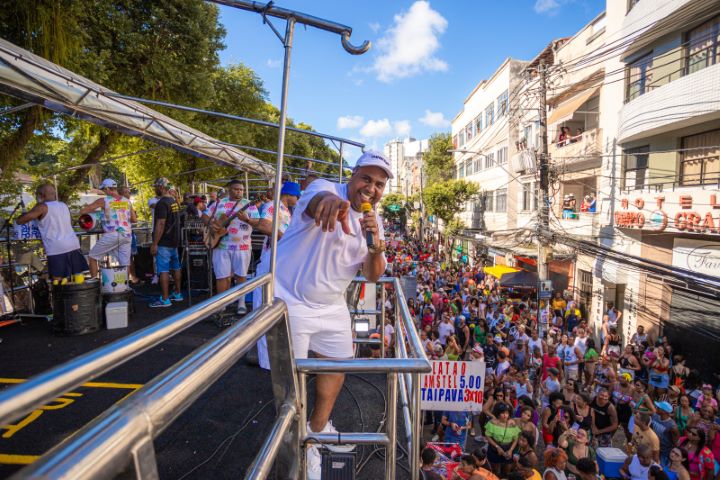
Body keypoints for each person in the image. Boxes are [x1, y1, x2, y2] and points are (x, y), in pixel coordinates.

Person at [258, 150, 391, 480]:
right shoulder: (326, 189)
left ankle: (315, 432)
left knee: (338, 365)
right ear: (352, 175)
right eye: (366, 179)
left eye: (379, 184)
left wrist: (376, 247)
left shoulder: (375, 221)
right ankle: (295, 446)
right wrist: (331, 206)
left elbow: (373, 275)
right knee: (292, 383)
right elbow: (319, 202)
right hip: (289, 298)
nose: (371, 188)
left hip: (331, 304)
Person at [253, 181, 301, 369]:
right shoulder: (274, 206)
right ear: (289, 194)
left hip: (280, 261)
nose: (297, 199)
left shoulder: (286, 210)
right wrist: (285, 239)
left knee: (277, 307)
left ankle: (274, 357)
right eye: (295, 195)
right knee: (264, 306)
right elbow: (264, 225)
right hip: (269, 261)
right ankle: (266, 361)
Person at [203, 179, 260, 315]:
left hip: (243, 246)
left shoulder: (249, 205)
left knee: (241, 275)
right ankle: (222, 304)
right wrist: (211, 225)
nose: (239, 192)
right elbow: (205, 215)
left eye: (241, 190)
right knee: (222, 276)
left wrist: (247, 219)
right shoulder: (219, 203)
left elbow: (258, 222)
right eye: (236, 189)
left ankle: (241, 303)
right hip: (220, 245)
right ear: (229, 190)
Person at [16, 184, 88, 283]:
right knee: (78, 274)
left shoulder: (42, 207)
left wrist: (25, 213)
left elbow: (21, 221)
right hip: (73, 244)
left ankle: (60, 297)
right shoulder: (63, 205)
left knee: (57, 278)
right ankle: (81, 296)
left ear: (41, 195)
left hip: (56, 247)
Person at [80, 178, 136, 278]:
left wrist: (98, 213)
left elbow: (83, 211)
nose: (104, 193)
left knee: (92, 256)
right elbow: (134, 219)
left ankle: (94, 284)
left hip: (112, 234)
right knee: (125, 263)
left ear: (107, 189)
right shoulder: (127, 201)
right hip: (127, 234)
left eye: (104, 190)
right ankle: (125, 287)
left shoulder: (104, 200)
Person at [149, 178, 183, 307]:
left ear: (162, 188)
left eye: (156, 186)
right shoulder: (173, 201)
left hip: (164, 241)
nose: (154, 189)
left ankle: (164, 299)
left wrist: (155, 243)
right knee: (176, 267)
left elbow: (161, 223)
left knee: (163, 270)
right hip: (174, 240)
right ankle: (178, 293)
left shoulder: (162, 203)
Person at [485, 403, 520, 477]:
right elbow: (488, 436)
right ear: (498, 413)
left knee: (506, 471)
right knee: (495, 471)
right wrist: (497, 447)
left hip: (508, 449)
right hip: (494, 448)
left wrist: (511, 450)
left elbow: (516, 439)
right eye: (502, 413)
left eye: (507, 413)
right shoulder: (492, 423)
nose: (505, 415)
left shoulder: (512, 424)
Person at [652, 401, 679, 466]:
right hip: (654, 447)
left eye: (659, 407)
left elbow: (676, 443)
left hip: (665, 452)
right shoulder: (655, 416)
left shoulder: (672, 426)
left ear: (664, 411)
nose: (656, 408)